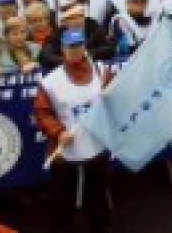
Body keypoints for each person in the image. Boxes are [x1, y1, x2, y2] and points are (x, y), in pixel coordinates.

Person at [32, 29, 113, 233]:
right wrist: (58, 132)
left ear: (85, 46)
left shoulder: (101, 70)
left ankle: (101, 226)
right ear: (63, 50)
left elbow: (114, 98)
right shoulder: (51, 81)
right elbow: (42, 113)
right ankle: (62, 227)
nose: (76, 51)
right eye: (71, 47)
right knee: (62, 195)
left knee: (98, 191)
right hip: (66, 146)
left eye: (79, 46)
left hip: (97, 142)